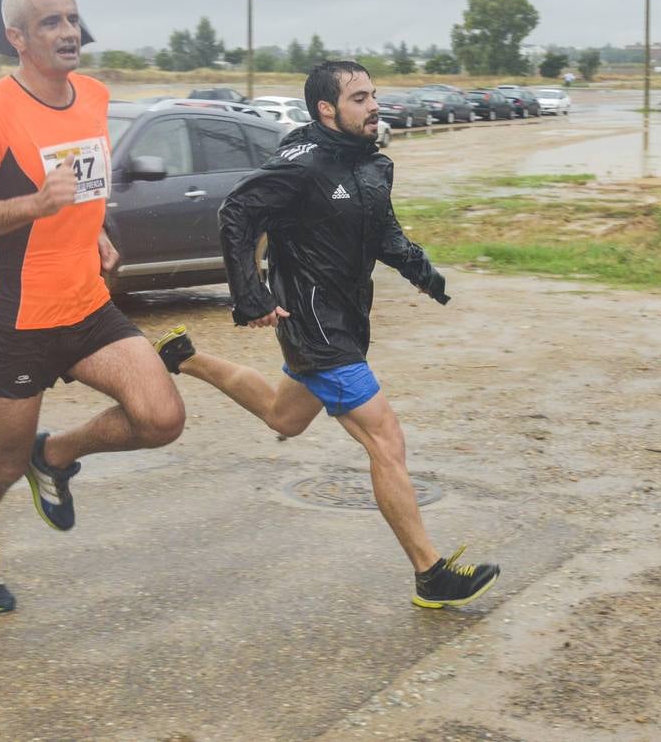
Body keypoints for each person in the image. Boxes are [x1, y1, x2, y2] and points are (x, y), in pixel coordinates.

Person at [153, 60, 499, 609]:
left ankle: (183, 356)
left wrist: (422, 272)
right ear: (326, 109)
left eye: (373, 95)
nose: (374, 105)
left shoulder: (369, 165)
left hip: (345, 319)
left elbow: (384, 231)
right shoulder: (303, 165)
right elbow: (237, 212)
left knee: (282, 416)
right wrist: (250, 294)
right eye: (359, 98)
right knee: (386, 439)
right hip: (316, 325)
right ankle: (430, 573)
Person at [0, 0, 185, 612]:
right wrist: (32, 204)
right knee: (0, 463)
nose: (69, 33)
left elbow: (84, 184)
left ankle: (56, 456)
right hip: (18, 322)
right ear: (17, 37)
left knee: (162, 418)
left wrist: (98, 225)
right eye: (50, 22)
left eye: (72, 19)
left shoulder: (96, 97)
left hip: (87, 306)